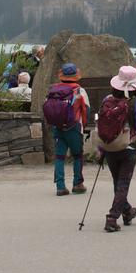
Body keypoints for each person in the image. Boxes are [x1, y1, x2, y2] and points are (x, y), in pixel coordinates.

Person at [95, 66, 136, 232]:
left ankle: (128, 212)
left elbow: (102, 126)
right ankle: (112, 217)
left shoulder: (107, 100)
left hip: (109, 147)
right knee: (123, 182)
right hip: (128, 147)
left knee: (118, 182)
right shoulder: (135, 103)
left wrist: (101, 148)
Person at [48, 63, 91, 196]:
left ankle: (60, 186)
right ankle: (77, 183)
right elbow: (86, 110)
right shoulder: (79, 91)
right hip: (74, 127)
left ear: (62, 75)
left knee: (59, 156)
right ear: (76, 76)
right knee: (77, 155)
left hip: (58, 127)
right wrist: (84, 125)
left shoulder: (53, 89)